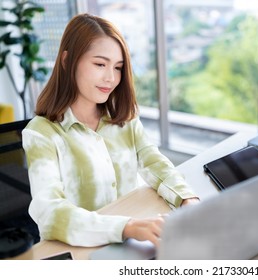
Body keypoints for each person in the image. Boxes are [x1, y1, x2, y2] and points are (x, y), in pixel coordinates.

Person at [22, 13, 199, 248]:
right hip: (78, 251)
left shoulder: (123, 116)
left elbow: (154, 162)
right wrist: (127, 227)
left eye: (117, 67)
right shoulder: (42, 133)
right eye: (99, 64)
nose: (111, 78)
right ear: (67, 61)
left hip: (130, 245)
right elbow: (49, 212)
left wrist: (188, 199)